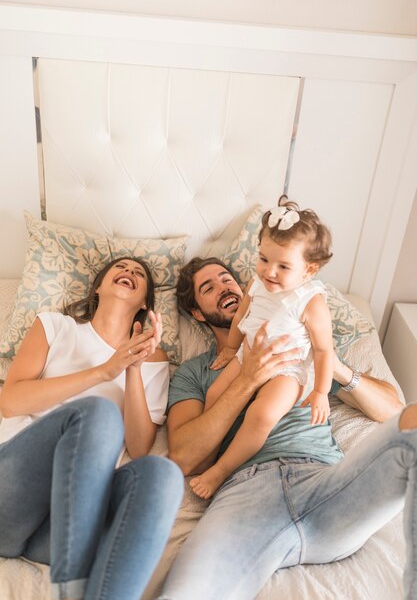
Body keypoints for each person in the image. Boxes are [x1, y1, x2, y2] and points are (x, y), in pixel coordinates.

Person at [158, 256, 417, 600]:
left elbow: (392, 409)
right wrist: (247, 378)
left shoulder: (299, 346)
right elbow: (184, 457)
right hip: (244, 495)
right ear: (198, 314)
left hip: (325, 482)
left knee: (411, 427)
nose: (225, 287)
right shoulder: (196, 372)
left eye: (227, 278)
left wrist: (331, 364)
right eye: (209, 288)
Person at [0, 256, 183, 600]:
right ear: (98, 286)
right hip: (11, 498)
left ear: (144, 303)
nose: (129, 272)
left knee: (162, 474)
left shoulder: (154, 363)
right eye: (121, 268)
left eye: (139, 274)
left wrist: (132, 368)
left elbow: (140, 446)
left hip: (65, 527)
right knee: (98, 413)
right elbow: (10, 401)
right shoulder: (55, 326)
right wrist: (104, 371)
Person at [190, 196, 334, 499]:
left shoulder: (311, 301)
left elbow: (323, 351)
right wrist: (231, 349)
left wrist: (320, 391)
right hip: (247, 354)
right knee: (215, 393)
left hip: (287, 369)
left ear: (309, 270)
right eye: (264, 259)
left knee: (262, 414)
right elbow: (242, 315)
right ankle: (210, 452)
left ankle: (221, 470)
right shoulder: (256, 284)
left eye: (283, 266)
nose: (269, 271)